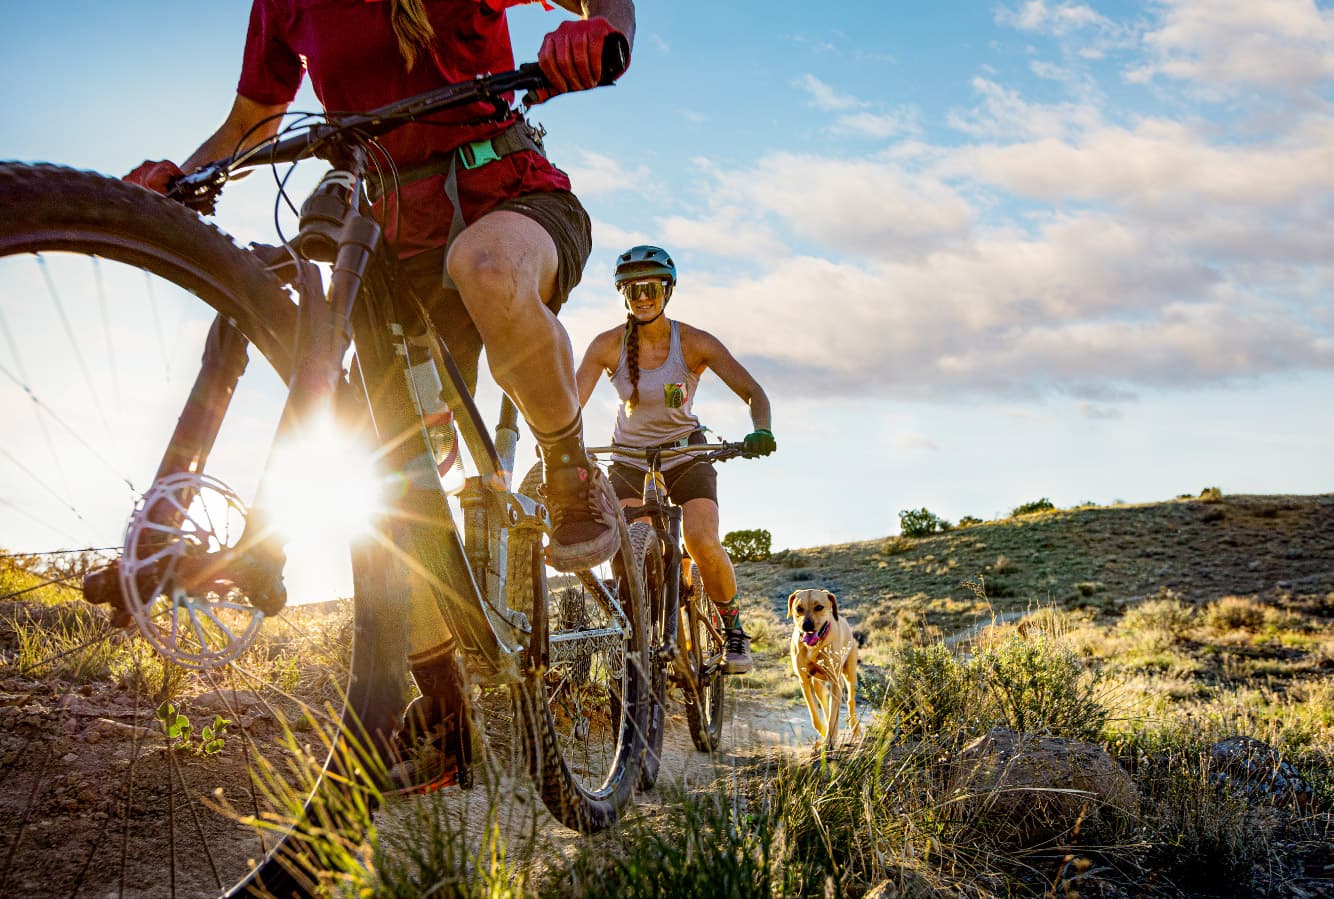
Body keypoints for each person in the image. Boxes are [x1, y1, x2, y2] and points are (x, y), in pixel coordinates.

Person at [125, 0, 636, 791]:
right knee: (391, 478)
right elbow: (252, 122)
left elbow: (606, 2)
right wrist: (180, 182)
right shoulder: (283, 5)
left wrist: (601, 31)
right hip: (393, 249)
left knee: (487, 268)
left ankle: (570, 469)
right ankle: (444, 713)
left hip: (511, 200)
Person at [575, 245, 775, 673]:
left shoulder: (695, 343)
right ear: (623, 295)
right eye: (632, 290)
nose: (642, 298)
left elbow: (753, 393)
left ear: (667, 291)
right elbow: (570, 403)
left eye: (651, 288)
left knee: (701, 539)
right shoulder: (607, 345)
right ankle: (638, 634)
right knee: (630, 543)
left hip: (686, 454)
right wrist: (563, 442)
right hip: (630, 458)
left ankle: (733, 630)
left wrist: (761, 429)